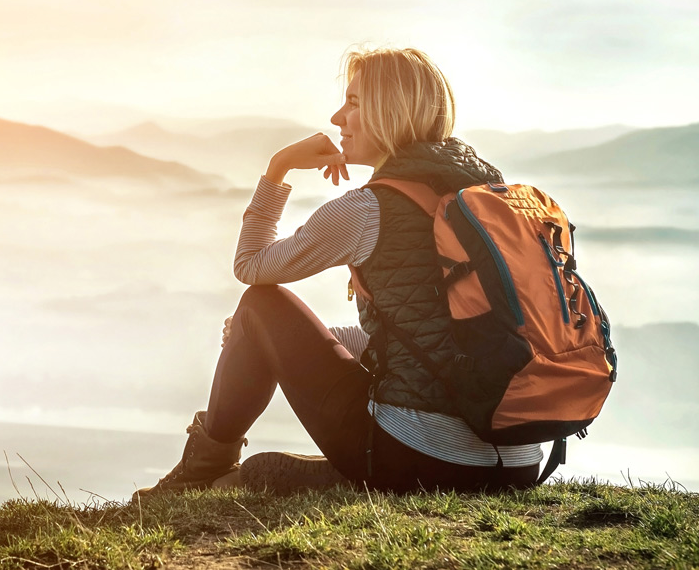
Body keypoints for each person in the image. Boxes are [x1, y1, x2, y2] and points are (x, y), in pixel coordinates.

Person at [134, 46, 542, 499]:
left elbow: (251, 267)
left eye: (353, 103)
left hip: (427, 457)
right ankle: (256, 475)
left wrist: (279, 167)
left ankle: (199, 472)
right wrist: (293, 341)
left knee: (260, 305)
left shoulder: (370, 208)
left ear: (390, 111)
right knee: (264, 452)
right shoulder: (484, 201)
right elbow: (428, 335)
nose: (336, 117)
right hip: (518, 461)